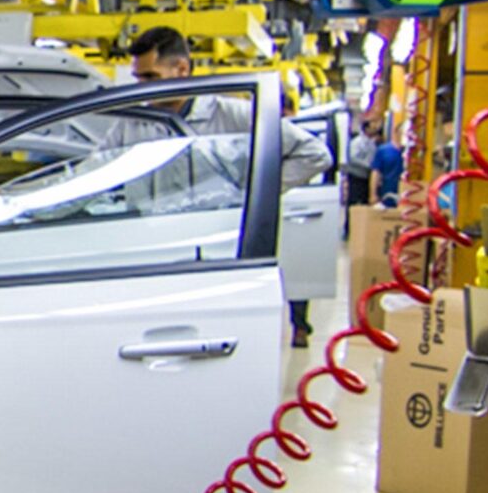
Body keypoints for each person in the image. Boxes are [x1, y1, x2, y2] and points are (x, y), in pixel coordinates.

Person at [126, 26, 335, 346]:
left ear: (181, 69)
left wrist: (253, 194)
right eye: (139, 78)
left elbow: (315, 154)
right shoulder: (133, 124)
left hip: (220, 255)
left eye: (150, 77)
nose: (143, 88)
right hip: (155, 255)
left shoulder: (234, 115)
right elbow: (93, 170)